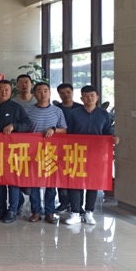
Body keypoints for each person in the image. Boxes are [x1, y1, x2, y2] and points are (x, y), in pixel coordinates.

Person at [64, 85, 119, 226]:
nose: (89, 98)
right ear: (81, 98)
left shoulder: (103, 114)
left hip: (96, 154)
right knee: (75, 182)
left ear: (97, 97)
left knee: (92, 183)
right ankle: (75, 212)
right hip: (76, 153)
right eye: (86, 96)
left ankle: (89, 212)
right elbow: (68, 133)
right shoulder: (74, 114)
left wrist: (113, 138)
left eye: (92, 95)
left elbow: (107, 131)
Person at [0, 80, 32, 223]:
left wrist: (14, 126)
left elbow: (28, 125)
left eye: (6, 89)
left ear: (11, 92)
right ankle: (2, 209)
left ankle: (13, 210)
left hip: (13, 152)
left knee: (12, 182)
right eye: (0, 89)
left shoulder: (16, 108)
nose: (3, 92)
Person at [25, 82, 67, 224]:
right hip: (32, 152)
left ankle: (50, 212)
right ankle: (36, 211)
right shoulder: (28, 110)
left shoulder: (57, 111)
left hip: (52, 153)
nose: (43, 93)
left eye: (45, 90)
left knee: (51, 184)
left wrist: (54, 130)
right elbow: (23, 129)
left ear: (49, 92)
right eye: (39, 91)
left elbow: (64, 130)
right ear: (34, 93)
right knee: (34, 183)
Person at [54, 82, 83, 213]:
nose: (66, 95)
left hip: (77, 148)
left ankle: (79, 204)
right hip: (59, 147)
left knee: (77, 174)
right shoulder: (56, 109)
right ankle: (64, 202)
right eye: (62, 93)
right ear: (59, 94)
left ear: (73, 92)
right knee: (61, 174)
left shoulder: (81, 108)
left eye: (68, 92)